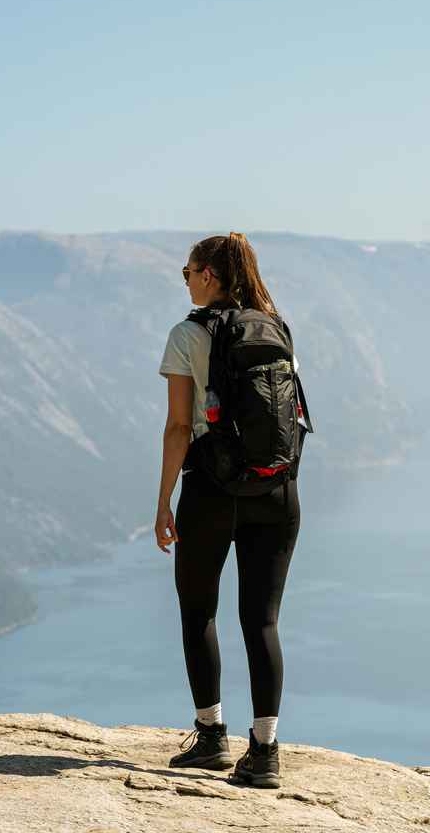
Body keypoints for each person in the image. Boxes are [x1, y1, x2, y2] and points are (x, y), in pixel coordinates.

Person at [154, 232, 300, 789]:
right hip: (277, 492)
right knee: (261, 621)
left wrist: (164, 499)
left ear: (208, 276)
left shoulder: (187, 333)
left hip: (212, 490)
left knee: (199, 611)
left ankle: (212, 737)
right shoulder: (275, 326)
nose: (185, 279)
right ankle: (264, 752)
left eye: (187, 270)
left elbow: (176, 426)